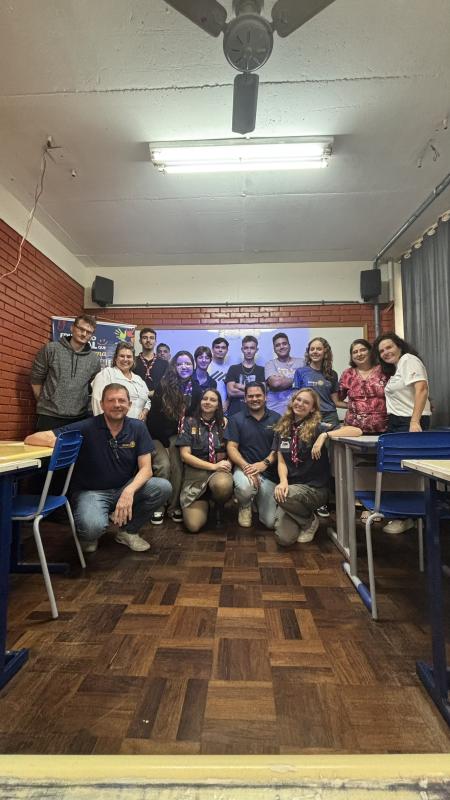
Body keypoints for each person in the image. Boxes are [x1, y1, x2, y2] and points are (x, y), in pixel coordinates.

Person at [24, 383, 172, 553]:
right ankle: (89, 534)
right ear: (102, 404)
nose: (117, 405)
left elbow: (146, 469)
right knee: (92, 528)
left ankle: (128, 532)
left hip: (123, 488)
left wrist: (128, 491)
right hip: (91, 493)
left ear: (129, 404)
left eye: (122, 400)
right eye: (111, 400)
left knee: (163, 487)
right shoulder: (86, 426)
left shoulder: (138, 427)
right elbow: (32, 438)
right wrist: (64, 442)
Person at [273, 388, 362, 546]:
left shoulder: (318, 427)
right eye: (298, 400)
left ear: (312, 409)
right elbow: (281, 461)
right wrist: (283, 481)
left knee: (286, 496)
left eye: (306, 402)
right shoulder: (283, 428)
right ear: (292, 402)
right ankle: (307, 517)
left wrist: (324, 435)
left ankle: (308, 521)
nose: (300, 404)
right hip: (292, 488)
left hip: (315, 489)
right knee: (284, 539)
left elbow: (356, 431)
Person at [373, 332, 431, 534]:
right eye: (381, 351)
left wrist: (415, 421)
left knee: (408, 471)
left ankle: (409, 517)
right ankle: (403, 515)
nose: (385, 352)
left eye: (389, 347)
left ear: (399, 345)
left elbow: (422, 389)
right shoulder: (398, 368)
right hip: (398, 422)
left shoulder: (408, 360)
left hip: (409, 422)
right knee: (397, 469)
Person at [146, 350, 203, 523]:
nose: (184, 367)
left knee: (177, 466)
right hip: (156, 435)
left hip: (178, 437)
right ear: (174, 366)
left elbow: (195, 418)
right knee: (164, 465)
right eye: (180, 364)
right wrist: (164, 444)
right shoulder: (163, 386)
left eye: (188, 363)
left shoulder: (196, 389)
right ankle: (158, 506)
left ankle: (173, 506)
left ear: (193, 366)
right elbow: (154, 419)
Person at [293, 336, 345, 518]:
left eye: (319, 349)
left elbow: (335, 401)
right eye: (312, 349)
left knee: (330, 459)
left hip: (330, 418)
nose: (315, 352)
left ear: (325, 352)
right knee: (311, 458)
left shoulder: (332, 374)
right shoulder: (301, 372)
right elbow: (297, 399)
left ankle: (327, 500)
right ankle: (312, 498)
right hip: (309, 419)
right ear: (308, 352)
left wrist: (356, 405)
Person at [30, 313, 101, 431]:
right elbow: (36, 379)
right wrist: (45, 401)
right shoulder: (51, 349)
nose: (84, 334)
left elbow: (93, 387)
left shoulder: (94, 360)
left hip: (79, 419)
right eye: (81, 329)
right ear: (72, 328)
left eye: (89, 332)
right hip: (49, 416)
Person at [176, 389, 233, 532]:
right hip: (196, 474)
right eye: (205, 399)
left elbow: (232, 449)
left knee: (222, 485)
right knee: (193, 526)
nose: (208, 402)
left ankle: (218, 504)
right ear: (200, 401)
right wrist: (212, 466)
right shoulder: (189, 422)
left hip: (219, 472)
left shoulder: (225, 423)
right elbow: (185, 455)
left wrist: (228, 463)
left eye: (213, 400)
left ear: (218, 405)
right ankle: (205, 502)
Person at [225, 382, 279, 529]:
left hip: (268, 471)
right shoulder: (236, 419)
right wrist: (246, 467)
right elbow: (231, 447)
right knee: (245, 488)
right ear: (245, 398)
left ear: (265, 397)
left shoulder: (277, 418)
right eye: (250, 396)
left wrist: (264, 464)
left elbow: (278, 449)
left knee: (270, 523)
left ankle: (256, 499)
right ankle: (245, 505)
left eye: (258, 395)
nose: (254, 399)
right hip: (244, 469)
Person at [91, 342, 151, 421]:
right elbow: (97, 402)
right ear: (115, 358)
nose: (125, 359)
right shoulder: (106, 374)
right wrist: (104, 425)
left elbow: (147, 400)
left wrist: (144, 411)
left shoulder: (138, 379)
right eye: (122, 356)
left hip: (138, 426)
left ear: (133, 360)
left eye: (129, 356)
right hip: (115, 426)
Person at [338, 339, 388, 433]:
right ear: (352, 356)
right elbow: (337, 399)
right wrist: (354, 406)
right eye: (355, 352)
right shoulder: (347, 374)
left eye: (363, 350)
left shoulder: (384, 370)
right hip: (353, 430)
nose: (359, 354)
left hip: (383, 428)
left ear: (370, 351)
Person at [226, 335, 265, 417]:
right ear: (242, 349)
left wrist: (240, 386)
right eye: (246, 348)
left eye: (252, 348)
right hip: (235, 414)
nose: (249, 351)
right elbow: (231, 392)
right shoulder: (233, 368)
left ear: (256, 350)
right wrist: (254, 393)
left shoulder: (261, 370)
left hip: (255, 415)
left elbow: (262, 392)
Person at [265, 332, 303, 415]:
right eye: (278, 345)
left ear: (289, 346)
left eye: (284, 344)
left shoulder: (302, 362)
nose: (281, 347)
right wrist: (299, 379)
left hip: (297, 411)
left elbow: (308, 383)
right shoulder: (270, 364)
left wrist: (284, 381)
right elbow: (276, 383)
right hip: (275, 412)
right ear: (274, 349)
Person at [134, 328, 168, 399]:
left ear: (155, 341)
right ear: (140, 341)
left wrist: (155, 393)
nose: (148, 340)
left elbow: (167, 384)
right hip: (137, 400)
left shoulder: (164, 364)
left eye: (151, 338)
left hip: (158, 402)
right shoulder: (133, 361)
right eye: (145, 338)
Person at [208, 337, 229, 412]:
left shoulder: (230, 369)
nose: (220, 350)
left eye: (223, 348)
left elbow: (231, 390)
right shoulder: (206, 366)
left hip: (224, 409)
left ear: (227, 350)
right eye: (217, 347)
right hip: (208, 406)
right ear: (212, 349)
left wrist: (227, 402)